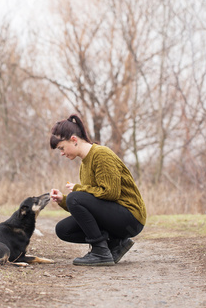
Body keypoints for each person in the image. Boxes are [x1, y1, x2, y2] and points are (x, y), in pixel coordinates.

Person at [49, 114, 146, 266]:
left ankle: (100, 252)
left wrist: (77, 190)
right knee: (63, 230)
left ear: (74, 140)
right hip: (116, 217)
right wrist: (63, 200)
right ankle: (115, 244)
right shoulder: (84, 164)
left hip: (131, 218)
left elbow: (110, 193)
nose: (61, 153)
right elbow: (91, 205)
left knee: (75, 196)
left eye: (62, 148)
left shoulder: (101, 154)